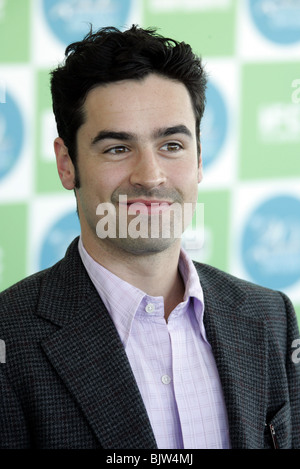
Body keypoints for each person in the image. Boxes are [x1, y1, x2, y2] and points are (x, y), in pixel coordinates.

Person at [0, 25, 299, 450]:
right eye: (118, 148)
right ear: (66, 164)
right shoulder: (9, 337)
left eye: (172, 145)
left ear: (198, 158)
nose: (150, 176)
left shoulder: (271, 317)